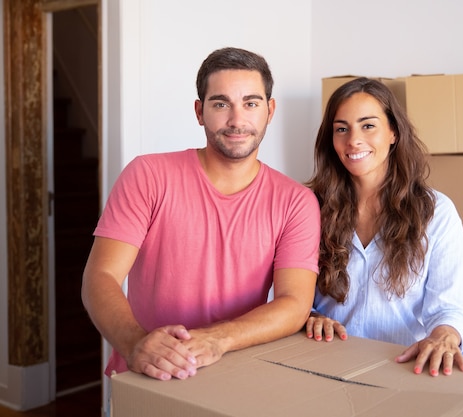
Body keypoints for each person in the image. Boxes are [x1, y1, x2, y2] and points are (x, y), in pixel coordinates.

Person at [81, 47, 320, 382]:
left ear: (270, 110)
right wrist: (137, 345)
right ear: (199, 111)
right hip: (144, 377)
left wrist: (215, 340)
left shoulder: (297, 202)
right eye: (221, 103)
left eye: (251, 103)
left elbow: (293, 303)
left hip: (235, 377)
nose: (237, 120)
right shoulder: (148, 175)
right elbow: (100, 277)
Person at [305, 77, 463, 377]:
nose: (353, 140)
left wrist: (445, 335)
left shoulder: (436, 213)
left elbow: (451, 309)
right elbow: (286, 295)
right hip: (323, 365)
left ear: (393, 132)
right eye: (341, 128)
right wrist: (310, 316)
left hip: (404, 372)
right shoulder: (308, 207)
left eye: (368, 125)